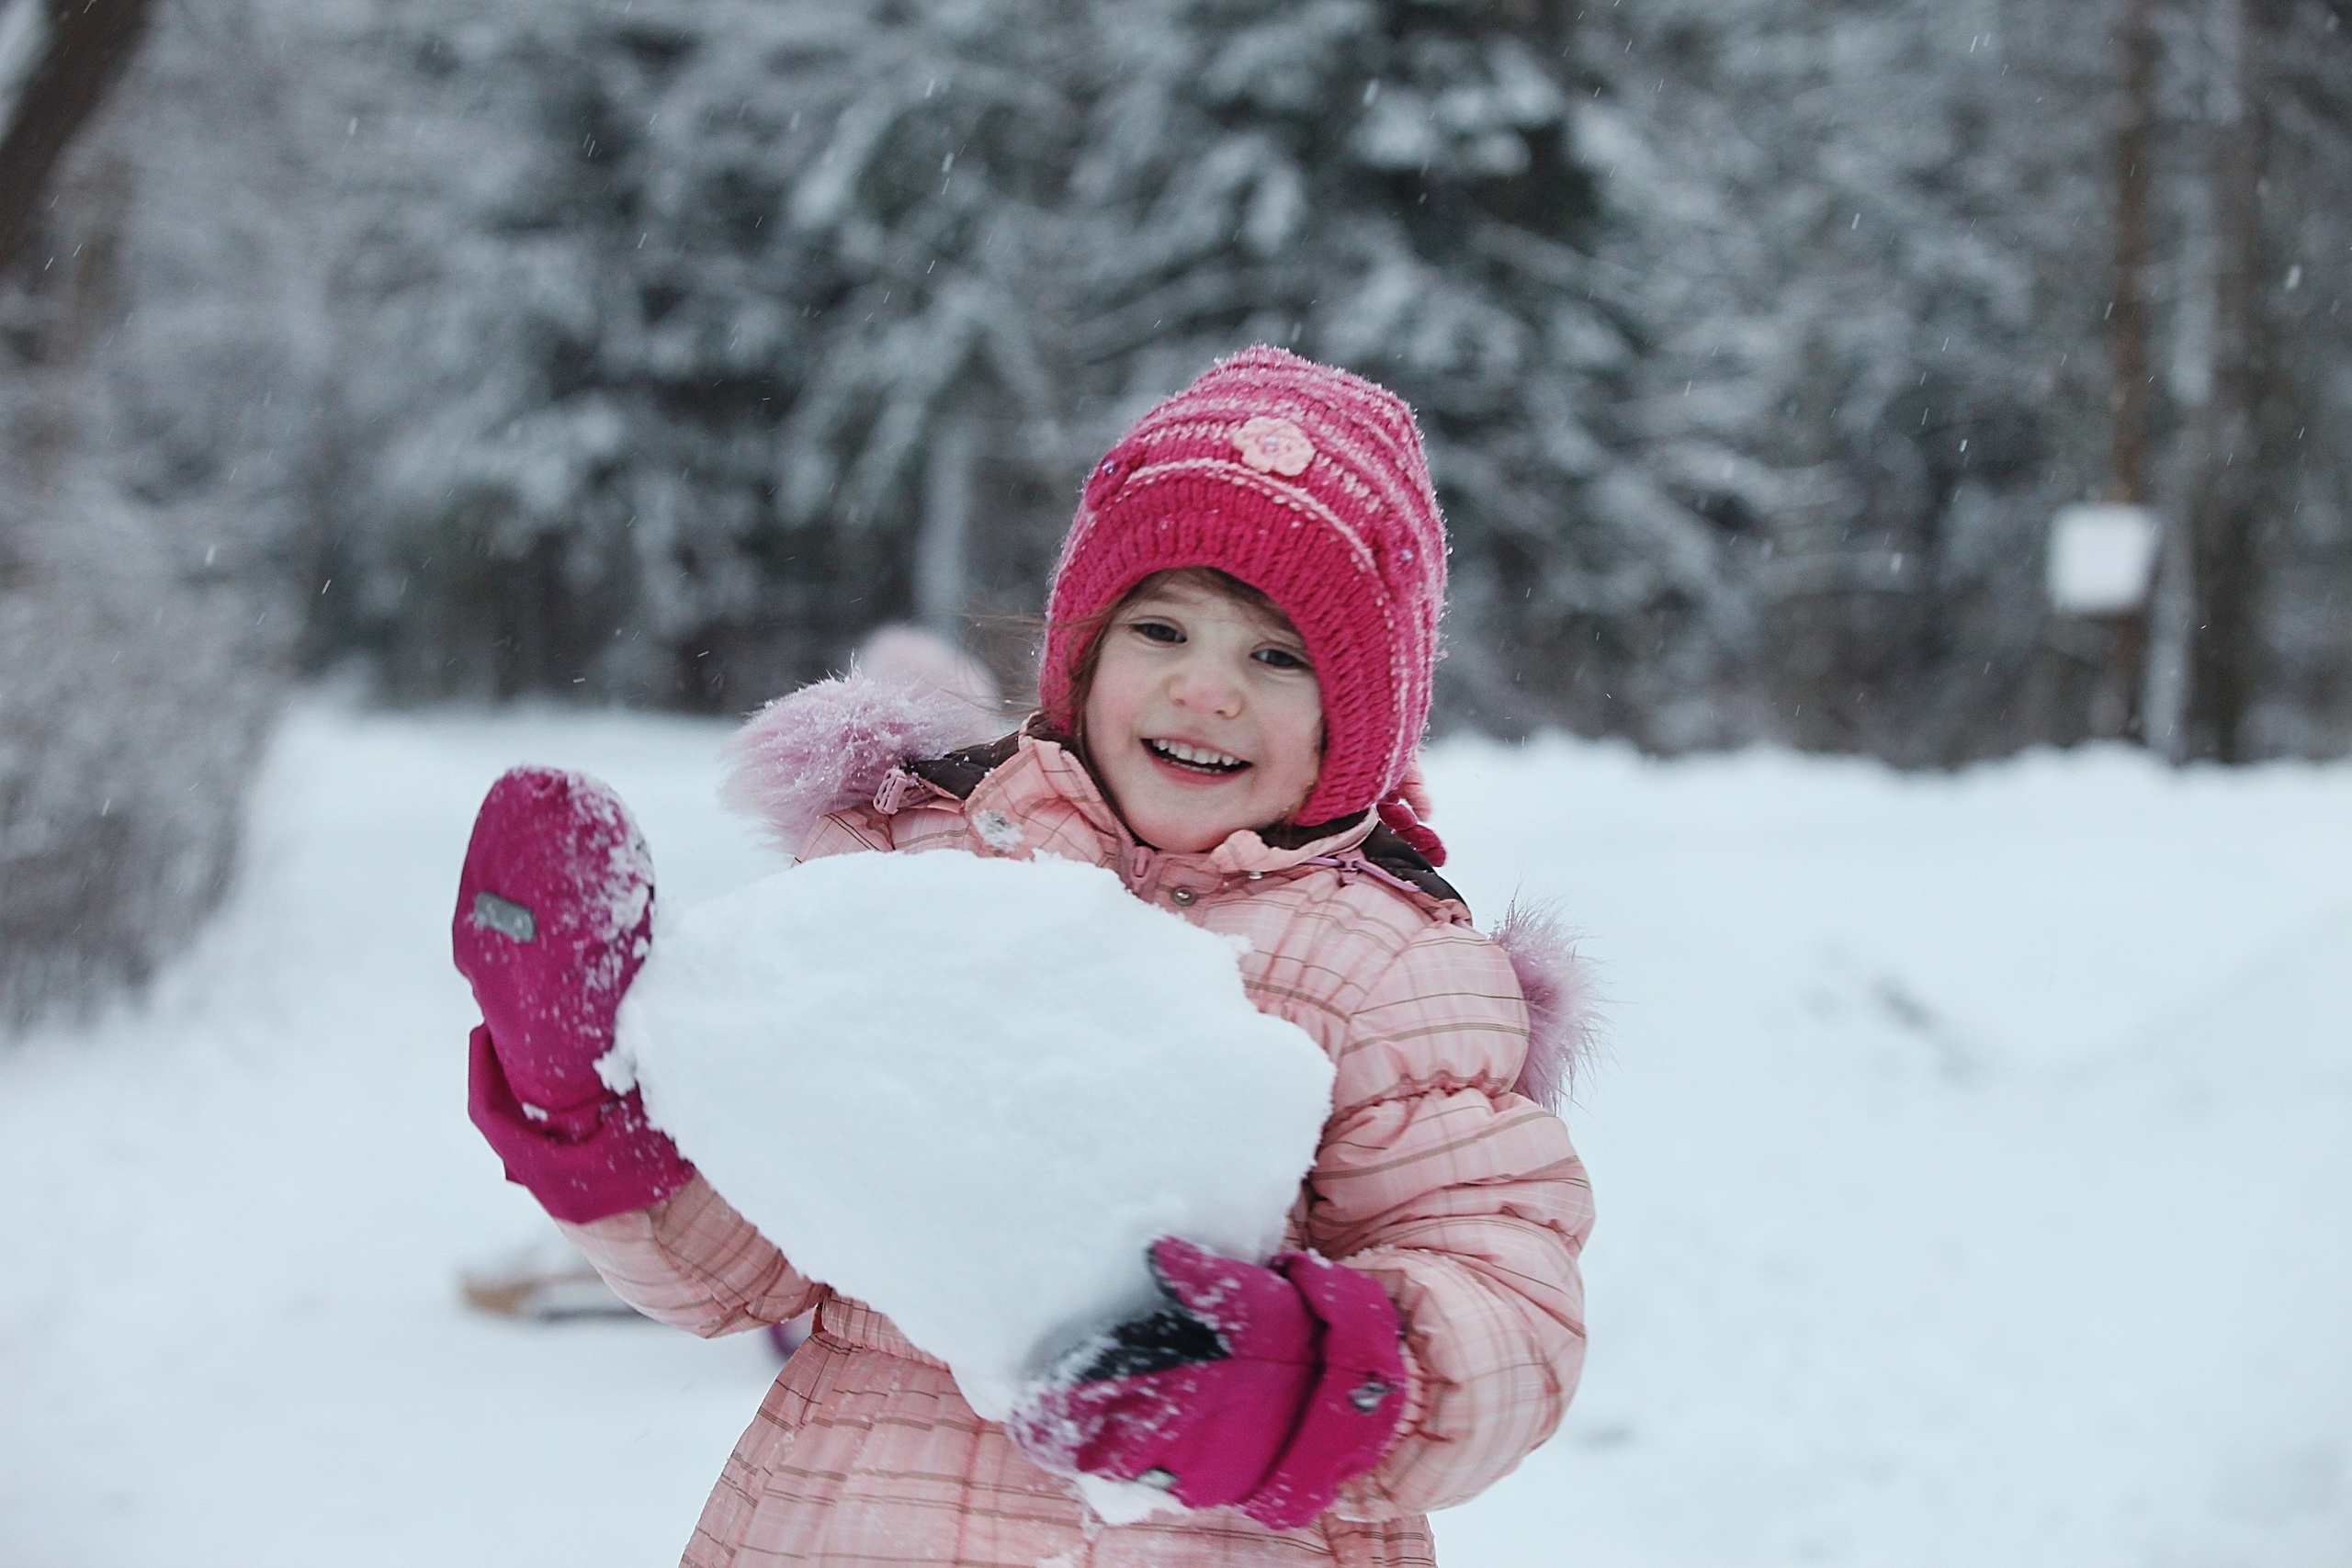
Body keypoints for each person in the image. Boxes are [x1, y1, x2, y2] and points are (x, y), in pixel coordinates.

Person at [452, 346, 1596, 1568]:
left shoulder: (1389, 969)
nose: (1206, 689)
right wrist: (591, 1098)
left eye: (1277, 656)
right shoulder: (914, 862)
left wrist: (1316, 1382)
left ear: (1354, 719)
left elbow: (1504, 1295)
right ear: (1085, 655)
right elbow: (748, 1269)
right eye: (1162, 629)